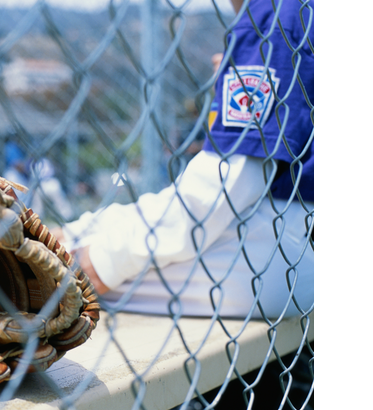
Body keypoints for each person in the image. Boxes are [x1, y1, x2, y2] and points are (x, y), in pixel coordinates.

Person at [54, 0, 314, 319]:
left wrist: (97, 262)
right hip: (295, 239)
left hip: (266, 258)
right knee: (92, 239)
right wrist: (78, 232)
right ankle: (71, 234)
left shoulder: (272, 14)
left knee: (48, 275)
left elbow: (216, 194)